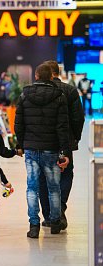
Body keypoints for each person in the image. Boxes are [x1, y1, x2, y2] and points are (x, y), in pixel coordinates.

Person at [15, 63, 70, 238]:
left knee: (32, 188)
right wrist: (64, 153)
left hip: (31, 149)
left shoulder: (24, 95)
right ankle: (55, 222)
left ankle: (34, 226)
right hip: (51, 149)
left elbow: (19, 124)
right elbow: (62, 127)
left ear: (37, 76)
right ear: (51, 77)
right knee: (54, 187)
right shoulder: (59, 96)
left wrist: (20, 144)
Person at [39, 61, 85, 230]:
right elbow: (78, 118)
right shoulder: (70, 90)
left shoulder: (37, 91)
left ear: (48, 74)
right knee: (65, 175)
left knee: (43, 177)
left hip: (43, 142)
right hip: (64, 141)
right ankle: (59, 210)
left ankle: (50, 215)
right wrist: (74, 139)